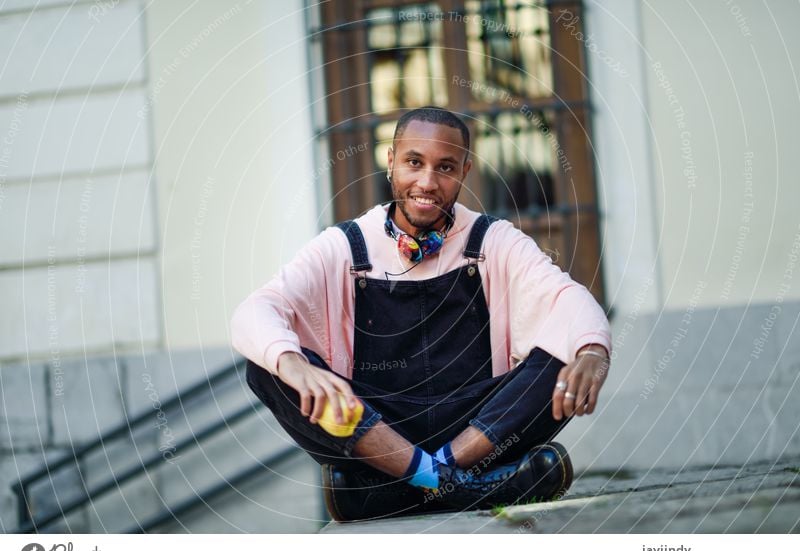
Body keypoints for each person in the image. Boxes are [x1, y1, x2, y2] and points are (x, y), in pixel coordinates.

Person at [231, 106, 611, 522]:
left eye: (445, 167)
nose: (427, 182)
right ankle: (463, 485)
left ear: (464, 171)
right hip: (380, 428)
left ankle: (399, 490)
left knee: (565, 354)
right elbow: (256, 310)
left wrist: (592, 350)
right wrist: (291, 363)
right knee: (266, 367)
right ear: (391, 161)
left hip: (478, 426)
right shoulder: (345, 244)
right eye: (414, 162)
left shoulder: (493, 239)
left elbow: (567, 298)